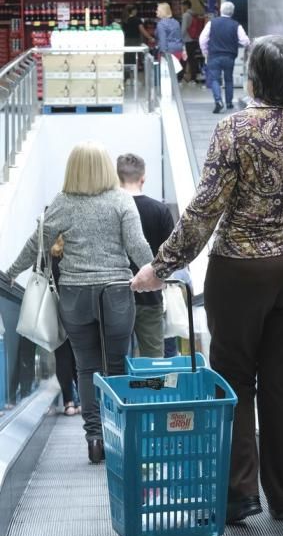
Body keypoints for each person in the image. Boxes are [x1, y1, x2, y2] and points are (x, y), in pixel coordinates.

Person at [130, 35, 283, 524]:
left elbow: (203, 212)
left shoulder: (233, 131)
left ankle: (239, 495)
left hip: (241, 270)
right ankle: (282, 497)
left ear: (251, 79)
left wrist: (159, 267)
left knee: (233, 377)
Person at [6, 141, 153, 463]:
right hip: (115, 290)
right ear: (104, 168)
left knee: (86, 368)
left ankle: (94, 438)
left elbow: (37, 246)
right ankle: (119, 438)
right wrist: (162, 274)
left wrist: (10, 273)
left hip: (74, 293)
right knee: (116, 367)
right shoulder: (121, 201)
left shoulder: (62, 202)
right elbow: (138, 248)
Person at [116, 153, 174, 357]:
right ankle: (152, 390)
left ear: (117, 177)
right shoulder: (160, 210)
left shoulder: (110, 210)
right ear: (143, 178)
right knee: (154, 363)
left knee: (116, 364)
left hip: (115, 297)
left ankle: (120, 391)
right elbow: (171, 255)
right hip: (151, 296)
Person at [199, 1, 250, 114]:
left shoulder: (212, 23)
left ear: (220, 10)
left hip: (214, 56)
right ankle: (229, 102)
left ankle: (218, 101)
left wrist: (205, 51)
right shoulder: (236, 25)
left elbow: (202, 38)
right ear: (232, 12)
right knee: (228, 79)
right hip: (229, 56)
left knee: (215, 79)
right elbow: (245, 41)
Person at [50, 236, 80, 416]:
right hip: (78, 309)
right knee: (80, 358)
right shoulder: (77, 249)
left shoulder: (50, 253)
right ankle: (83, 402)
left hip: (56, 310)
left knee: (62, 357)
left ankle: (69, 402)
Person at [121, 4, 154, 77]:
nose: (136, 12)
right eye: (135, 10)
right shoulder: (136, 20)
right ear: (133, 11)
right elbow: (142, 31)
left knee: (127, 60)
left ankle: (127, 77)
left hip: (126, 41)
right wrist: (150, 38)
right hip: (135, 41)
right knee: (135, 59)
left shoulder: (124, 20)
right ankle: (134, 77)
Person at [155, 2, 185, 80]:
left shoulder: (161, 24)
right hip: (178, 50)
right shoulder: (176, 22)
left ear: (162, 11)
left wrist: (163, 53)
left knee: (165, 74)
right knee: (173, 72)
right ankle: (174, 88)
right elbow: (180, 36)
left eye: (158, 10)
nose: (156, 11)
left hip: (167, 51)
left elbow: (163, 40)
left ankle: (168, 90)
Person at [180, 0, 201, 83]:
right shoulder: (194, 14)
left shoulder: (186, 15)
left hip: (187, 40)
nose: (182, 7)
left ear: (186, 6)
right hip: (194, 39)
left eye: (183, 5)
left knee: (184, 59)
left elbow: (184, 28)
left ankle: (182, 77)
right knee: (192, 59)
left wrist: (180, 38)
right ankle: (193, 77)